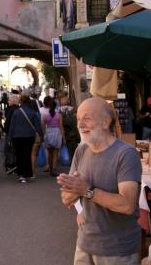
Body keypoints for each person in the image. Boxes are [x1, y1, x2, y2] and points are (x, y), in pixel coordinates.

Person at [57, 97, 141, 264]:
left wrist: (86, 191)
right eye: (78, 119)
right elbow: (66, 198)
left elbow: (127, 205)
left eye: (86, 119)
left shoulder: (126, 155)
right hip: (84, 245)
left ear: (105, 122)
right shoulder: (81, 151)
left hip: (118, 251)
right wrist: (72, 192)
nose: (80, 125)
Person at [7, 94, 41, 184]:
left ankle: (20, 174)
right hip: (29, 136)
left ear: (21, 102)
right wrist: (40, 136)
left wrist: (9, 138)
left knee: (19, 155)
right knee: (27, 155)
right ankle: (26, 175)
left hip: (17, 137)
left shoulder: (16, 112)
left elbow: (12, 126)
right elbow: (37, 125)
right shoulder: (32, 112)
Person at [41, 95, 65, 177]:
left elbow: (43, 127)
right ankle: (54, 169)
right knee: (55, 152)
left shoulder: (44, 115)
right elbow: (61, 126)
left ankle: (50, 167)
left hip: (48, 132)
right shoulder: (59, 115)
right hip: (57, 133)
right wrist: (63, 138)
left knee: (49, 152)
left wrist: (43, 136)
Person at [59, 93, 80, 160]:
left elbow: (61, 125)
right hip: (74, 133)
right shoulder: (74, 109)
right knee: (74, 149)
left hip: (66, 133)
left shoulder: (60, 111)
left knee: (69, 149)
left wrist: (63, 138)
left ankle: (71, 162)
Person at [4, 94, 19, 173]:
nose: (8, 101)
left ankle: (11, 165)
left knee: (8, 150)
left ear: (13, 101)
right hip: (18, 133)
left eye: (9, 100)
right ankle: (14, 165)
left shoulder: (11, 109)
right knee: (15, 150)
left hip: (10, 133)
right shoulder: (19, 109)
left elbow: (8, 122)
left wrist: (5, 130)